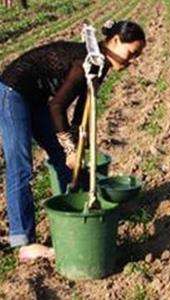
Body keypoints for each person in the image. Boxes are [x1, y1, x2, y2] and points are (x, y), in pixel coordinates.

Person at [0, 20, 146, 261]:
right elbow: (57, 106)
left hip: (37, 97)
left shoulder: (100, 63)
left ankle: (79, 207)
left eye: (137, 56)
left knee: (63, 158)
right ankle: (23, 241)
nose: (132, 61)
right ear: (116, 41)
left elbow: (83, 107)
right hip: (13, 92)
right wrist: (70, 147)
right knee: (21, 165)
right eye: (131, 53)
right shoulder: (85, 62)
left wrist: (79, 142)